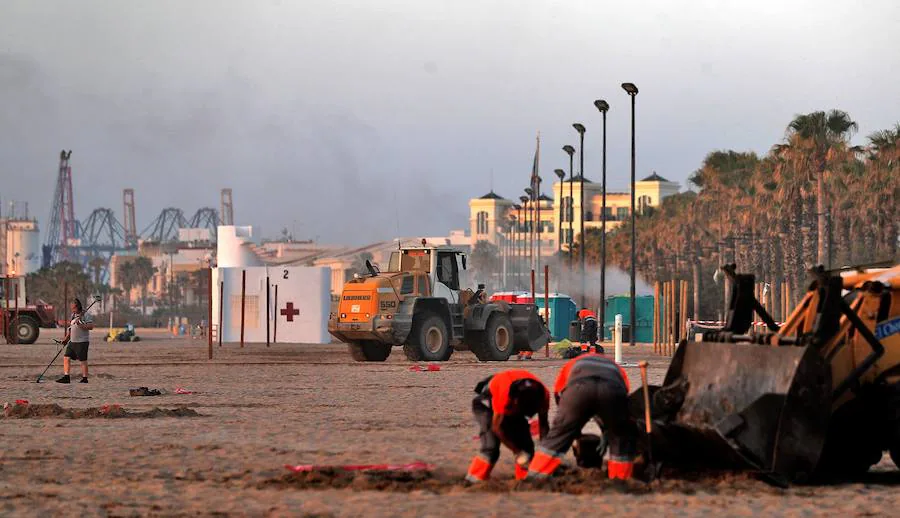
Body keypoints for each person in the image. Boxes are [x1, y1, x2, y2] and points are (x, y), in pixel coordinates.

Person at [526, 353, 638, 480]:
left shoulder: (572, 363)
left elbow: (559, 395)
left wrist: (570, 426)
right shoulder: (616, 368)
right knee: (621, 437)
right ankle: (620, 480)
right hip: (612, 390)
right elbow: (623, 397)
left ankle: (535, 477)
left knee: (557, 438)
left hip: (578, 390)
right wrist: (608, 430)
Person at [466, 369, 550, 483]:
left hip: (509, 402)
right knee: (491, 446)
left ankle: (524, 481)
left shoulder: (544, 394)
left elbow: (544, 425)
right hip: (486, 404)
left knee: (526, 446)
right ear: (515, 402)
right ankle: (472, 481)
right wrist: (517, 451)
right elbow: (496, 428)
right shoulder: (505, 396)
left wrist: (546, 453)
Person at [56, 298, 94, 384]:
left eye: (73, 308)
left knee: (83, 360)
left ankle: (85, 378)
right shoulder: (73, 315)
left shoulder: (86, 315)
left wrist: (80, 325)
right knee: (66, 357)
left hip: (82, 341)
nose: (72, 309)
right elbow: (71, 329)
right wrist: (65, 339)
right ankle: (66, 377)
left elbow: (91, 326)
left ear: (78, 307)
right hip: (72, 341)